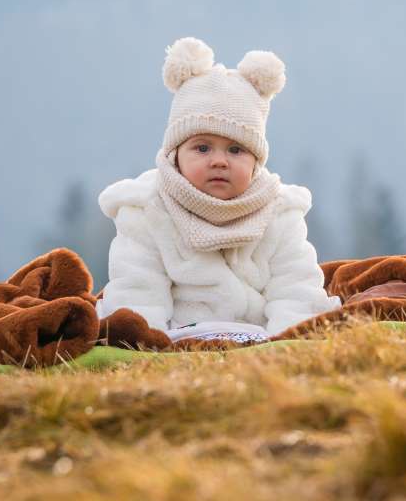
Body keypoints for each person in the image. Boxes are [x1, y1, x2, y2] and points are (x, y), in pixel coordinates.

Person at [96, 36, 341, 340]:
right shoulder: (148, 208)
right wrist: (145, 341)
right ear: (175, 154)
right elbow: (138, 288)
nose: (219, 161)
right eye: (202, 148)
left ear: (256, 161)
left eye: (236, 150)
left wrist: (288, 339)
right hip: (177, 337)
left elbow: (296, 286)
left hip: (259, 336)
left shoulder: (278, 212)